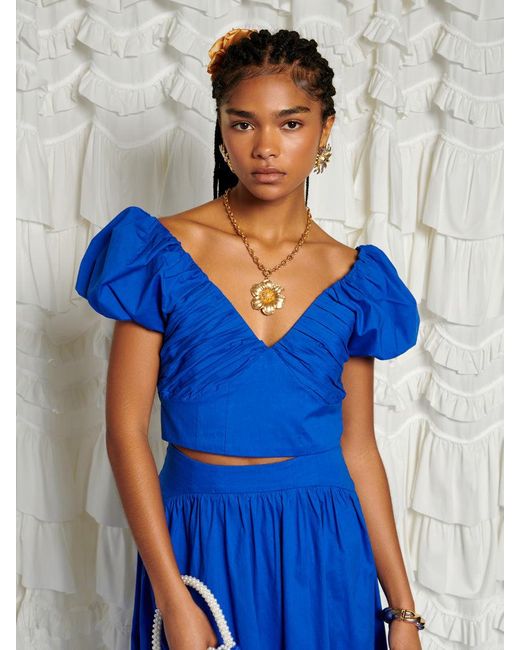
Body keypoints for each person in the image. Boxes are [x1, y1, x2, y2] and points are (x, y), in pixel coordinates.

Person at [75, 27, 425, 650]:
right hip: (199, 539)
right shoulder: (158, 252)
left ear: (325, 129)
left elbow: (359, 448)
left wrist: (402, 611)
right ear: (221, 128)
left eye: (290, 123)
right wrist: (171, 597)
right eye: (243, 123)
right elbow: (125, 433)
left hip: (325, 542)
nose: (265, 147)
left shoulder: (354, 276)